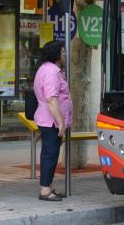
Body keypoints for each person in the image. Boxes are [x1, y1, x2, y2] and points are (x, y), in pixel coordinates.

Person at [33, 40, 73, 202]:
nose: (64, 54)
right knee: (50, 155)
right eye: (63, 51)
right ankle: (44, 191)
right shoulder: (52, 72)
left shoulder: (46, 69)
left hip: (48, 119)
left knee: (49, 153)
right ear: (56, 54)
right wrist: (61, 122)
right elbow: (51, 99)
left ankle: (47, 187)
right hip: (51, 121)